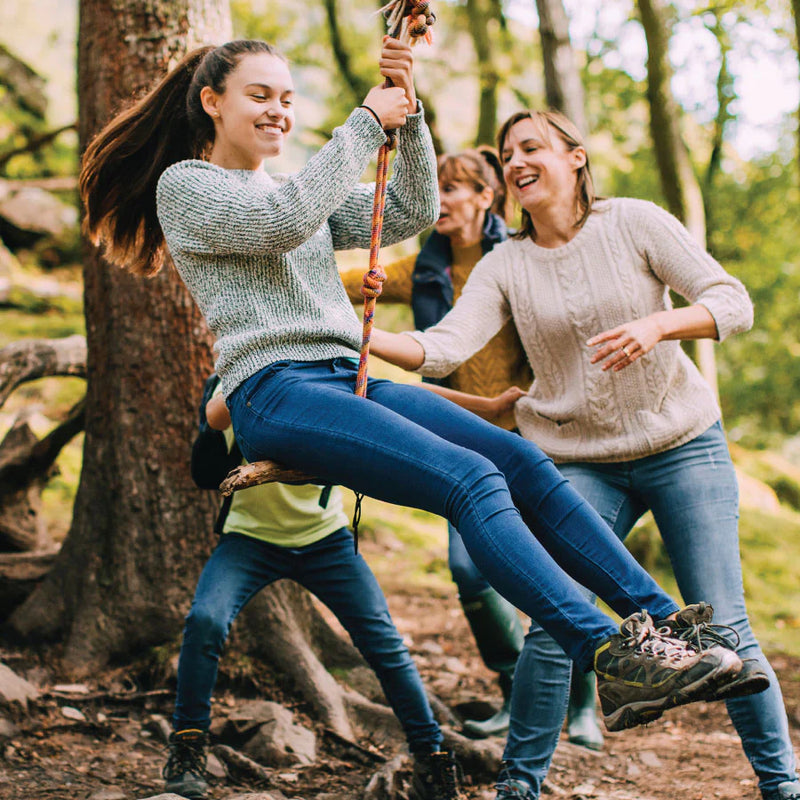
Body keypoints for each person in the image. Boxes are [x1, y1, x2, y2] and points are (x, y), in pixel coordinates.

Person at [79, 38, 748, 793]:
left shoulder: (298, 186)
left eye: (289, 99)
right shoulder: (190, 188)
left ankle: (666, 625)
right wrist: (365, 121)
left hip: (349, 378)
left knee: (519, 460)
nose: (280, 111)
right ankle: (608, 653)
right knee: (467, 479)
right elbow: (285, 220)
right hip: (277, 387)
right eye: (261, 95)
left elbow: (413, 210)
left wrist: (410, 105)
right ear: (213, 102)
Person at [367, 108, 799, 800]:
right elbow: (445, 345)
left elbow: (732, 300)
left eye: (531, 147)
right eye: (507, 154)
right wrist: (361, 336)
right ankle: (521, 785)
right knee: (552, 625)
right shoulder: (506, 263)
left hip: (682, 444)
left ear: (575, 157)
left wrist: (660, 324)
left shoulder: (634, 221)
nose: (515, 163)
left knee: (723, 619)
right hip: (578, 458)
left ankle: (782, 785)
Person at [339, 147, 602, 748]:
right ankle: (517, 690)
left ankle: (584, 701)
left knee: (557, 568)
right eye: (438, 188)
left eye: (455, 189)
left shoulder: (516, 258)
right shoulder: (423, 268)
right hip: (462, 437)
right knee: (471, 570)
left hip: (536, 432)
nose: (443, 201)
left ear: (486, 197)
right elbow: (338, 286)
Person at [162, 374, 456, 800]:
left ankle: (430, 755)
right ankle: (188, 745)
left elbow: (401, 406)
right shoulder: (229, 381)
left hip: (326, 542)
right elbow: (205, 467)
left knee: (383, 641)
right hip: (249, 540)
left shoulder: (326, 380)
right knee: (205, 620)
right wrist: (234, 384)